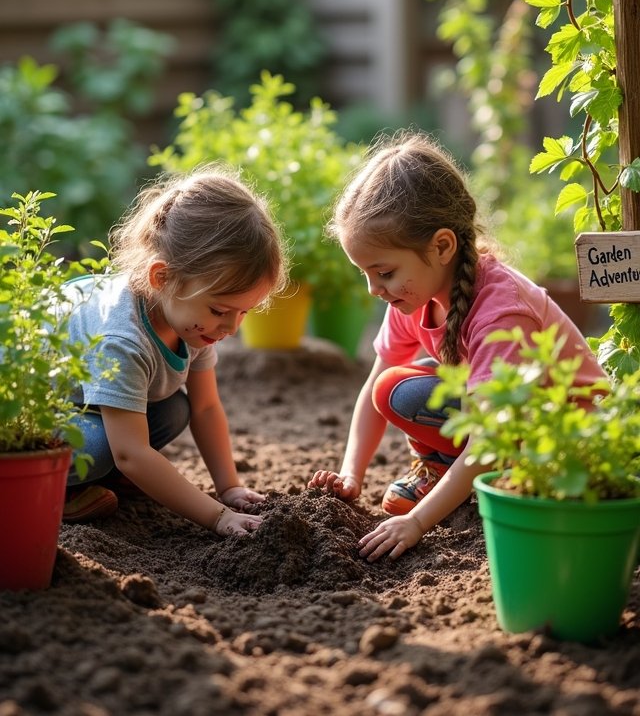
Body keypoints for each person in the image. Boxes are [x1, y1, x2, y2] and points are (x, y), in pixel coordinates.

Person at [309, 131, 607, 561]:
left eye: (385, 272)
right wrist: (350, 475)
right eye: (366, 274)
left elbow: (490, 436)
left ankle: (486, 478)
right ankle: (445, 469)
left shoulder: (501, 312)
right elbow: (375, 390)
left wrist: (416, 522)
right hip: (503, 421)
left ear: (442, 246)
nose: (375, 289)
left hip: (564, 433)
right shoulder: (412, 295)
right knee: (390, 387)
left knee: (409, 391)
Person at [62, 165, 288, 538]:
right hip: (26, 423)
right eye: (220, 310)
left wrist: (228, 487)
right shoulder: (123, 338)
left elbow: (206, 407)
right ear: (162, 278)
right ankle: (58, 491)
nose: (232, 328)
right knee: (104, 448)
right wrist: (218, 517)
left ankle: (114, 480)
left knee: (174, 409)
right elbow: (130, 452)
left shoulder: (190, 320)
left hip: (82, 406)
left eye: (244, 311)